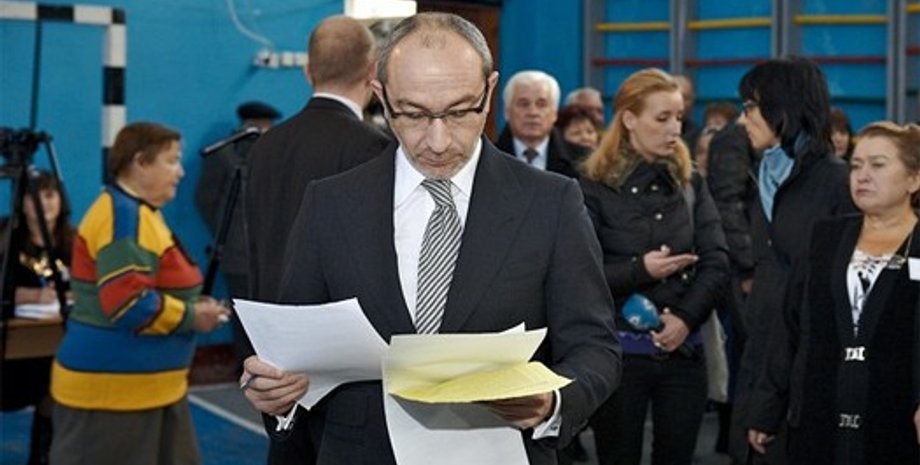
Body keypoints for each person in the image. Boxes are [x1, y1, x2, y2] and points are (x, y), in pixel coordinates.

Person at [240, 12, 623, 465]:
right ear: (381, 95)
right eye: (413, 114)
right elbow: (290, 353)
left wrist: (552, 403)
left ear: (489, 91)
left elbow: (594, 347)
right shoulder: (331, 203)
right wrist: (274, 391)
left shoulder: (550, 201)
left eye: (459, 112)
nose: (438, 141)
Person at [243, 17, 392, 464]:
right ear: (373, 72)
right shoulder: (373, 148)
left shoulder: (265, 145)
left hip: (274, 351)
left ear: (308, 71)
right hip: (344, 362)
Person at [49, 122, 230, 465]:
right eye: (171, 161)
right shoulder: (123, 218)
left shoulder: (140, 213)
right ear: (140, 162)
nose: (180, 172)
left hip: (148, 391)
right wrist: (193, 315)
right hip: (112, 397)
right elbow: (128, 304)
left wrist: (191, 305)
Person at [579, 67, 730, 465]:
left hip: (684, 355)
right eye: (662, 118)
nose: (674, 128)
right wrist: (641, 270)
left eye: (678, 117)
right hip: (618, 359)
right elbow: (581, 275)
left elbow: (717, 261)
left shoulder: (690, 182)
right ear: (629, 119)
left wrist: (685, 318)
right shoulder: (592, 185)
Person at [751, 121, 920, 464]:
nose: (862, 176)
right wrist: (767, 408)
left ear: (913, 180)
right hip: (818, 424)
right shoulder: (824, 237)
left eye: (878, 165)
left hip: (897, 429)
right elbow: (789, 328)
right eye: (856, 165)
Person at [728, 57, 854, 465]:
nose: (742, 119)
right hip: (758, 362)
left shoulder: (837, 184)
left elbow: (822, 306)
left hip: (801, 383)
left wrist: (771, 402)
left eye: (750, 107)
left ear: (784, 106)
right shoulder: (765, 175)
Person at [195, 100, 281, 371]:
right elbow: (206, 199)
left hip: (268, 250)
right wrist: (226, 231)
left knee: (266, 310)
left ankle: (266, 364)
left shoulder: (273, 153)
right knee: (244, 311)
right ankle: (248, 364)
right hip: (240, 250)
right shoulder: (225, 155)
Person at [0, 170, 73, 465]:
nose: (45, 203)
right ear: (21, 203)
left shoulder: (73, 240)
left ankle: (43, 455)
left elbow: (90, 286)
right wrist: (32, 295)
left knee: (56, 381)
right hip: (10, 343)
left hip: (54, 340)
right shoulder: (6, 238)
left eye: (50, 194)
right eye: (35, 196)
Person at [494, 70, 583, 177]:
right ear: (507, 112)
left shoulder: (581, 161)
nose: (533, 112)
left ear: (554, 113)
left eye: (541, 105)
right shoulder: (488, 159)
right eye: (524, 104)